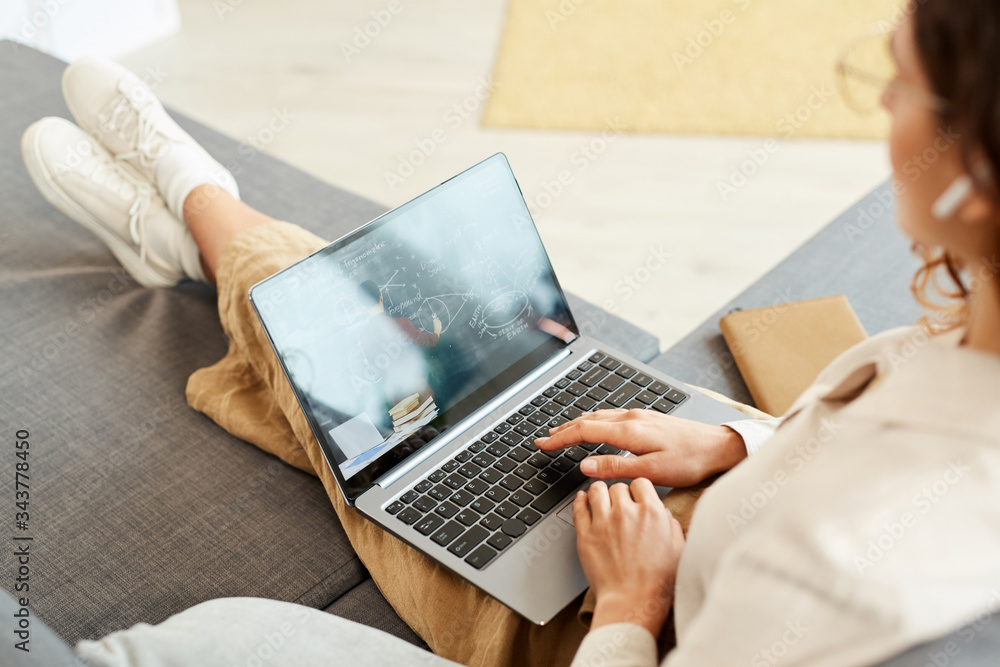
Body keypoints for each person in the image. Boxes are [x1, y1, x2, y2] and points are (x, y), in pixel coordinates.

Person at [20, 0, 1000, 664]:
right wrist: (735, 442)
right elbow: (847, 437)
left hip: (606, 619)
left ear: (974, 172)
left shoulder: (837, 567)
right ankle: (196, 237)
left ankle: (198, 207)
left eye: (902, 83)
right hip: (706, 487)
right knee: (453, 365)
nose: (879, 101)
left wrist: (628, 601)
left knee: (362, 383)